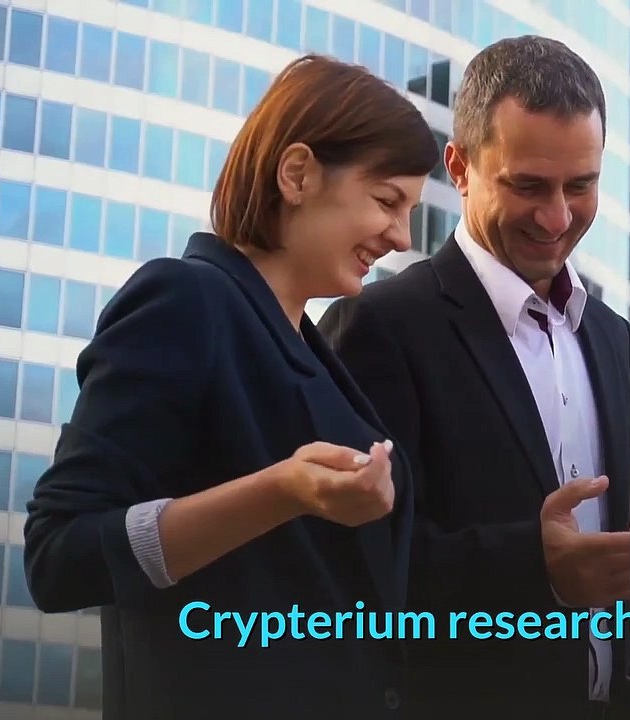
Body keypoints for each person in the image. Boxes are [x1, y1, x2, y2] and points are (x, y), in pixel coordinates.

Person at [22, 55, 439, 720]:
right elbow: (59, 555)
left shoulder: (317, 351)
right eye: (387, 201)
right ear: (297, 174)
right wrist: (280, 492)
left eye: (410, 210)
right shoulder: (185, 300)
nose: (401, 236)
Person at [318, 36, 630, 720]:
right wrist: (534, 564)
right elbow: (350, 568)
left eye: (581, 186)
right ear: (459, 168)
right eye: (528, 186)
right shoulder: (380, 326)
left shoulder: (612, 338)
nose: (558, 217)